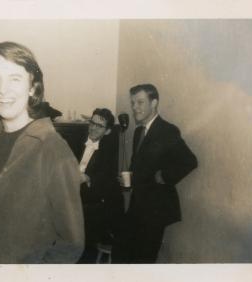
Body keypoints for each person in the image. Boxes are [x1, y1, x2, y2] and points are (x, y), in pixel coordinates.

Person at [0, 41, 84, 264]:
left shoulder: (53, 149)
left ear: (32, 86)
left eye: (14, 78)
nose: (3, 90)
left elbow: (71, 244)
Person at [112, 84, 198, 263]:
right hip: (138, 205)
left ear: (154, 103)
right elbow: (143, 166)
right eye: (133, 103)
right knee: (121, 249)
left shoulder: (167, 131)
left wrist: (164, 176)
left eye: (140, 102)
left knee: (144, 258)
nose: (135, 107)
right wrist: (130, 176)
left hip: (156, 209)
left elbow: (190, 161)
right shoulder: (138, 132)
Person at [77, 108, 123, 263]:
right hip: (80, 199)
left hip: (99, 209)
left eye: (99, 126)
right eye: (92, 123)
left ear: (108, 131)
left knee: (83, 229)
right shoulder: (78, 142)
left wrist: (88, 178)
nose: (93, 128)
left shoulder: (108, 153)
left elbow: (103, 183)